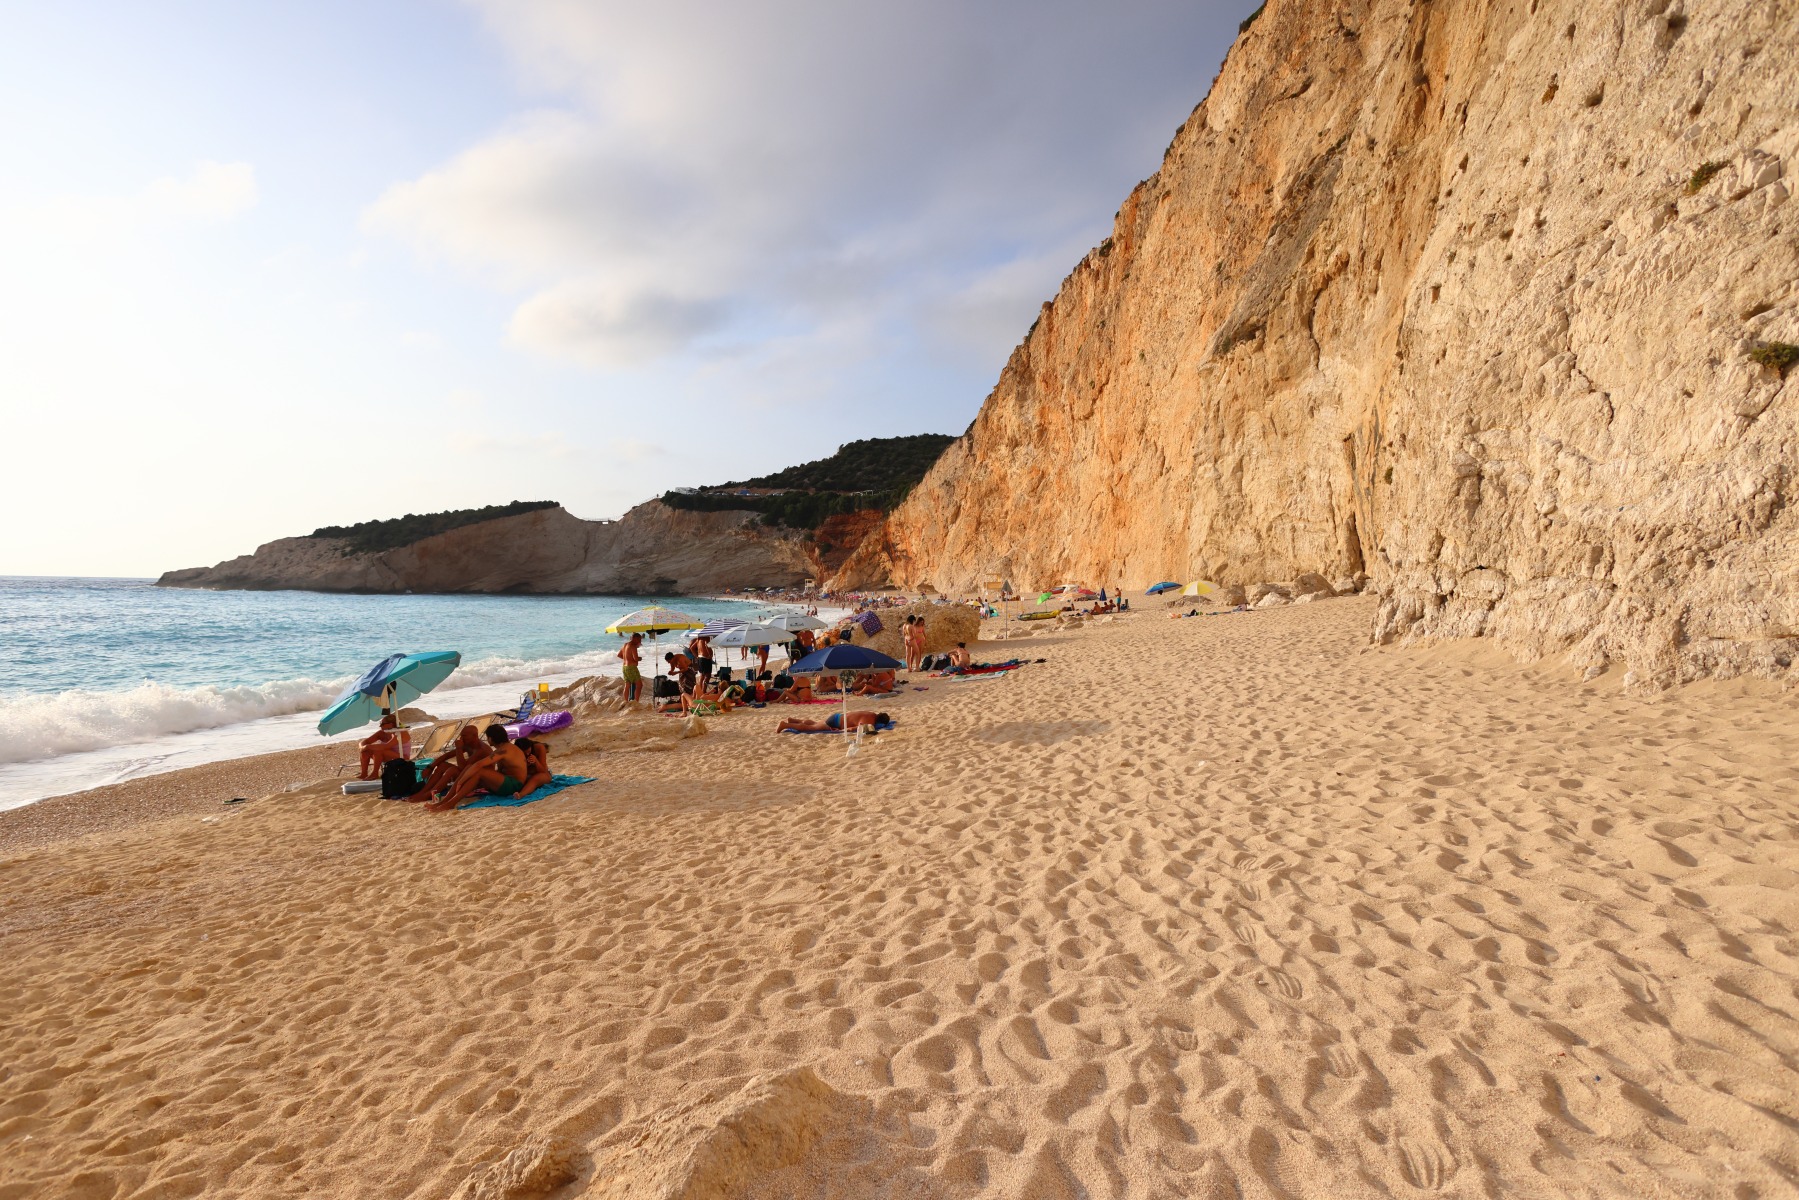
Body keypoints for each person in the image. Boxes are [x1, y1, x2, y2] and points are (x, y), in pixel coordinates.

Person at [427, 724, 529, 811]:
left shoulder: (504, 750)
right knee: (470, 768)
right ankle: (446, 801)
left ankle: (450, 803)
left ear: (491, 738)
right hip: (507, 783)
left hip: (514, 785)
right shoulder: (505, 748)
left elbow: (479, 765)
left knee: (478, 771)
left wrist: (460, 782)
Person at [416, 725, 488, 799]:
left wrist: (459, 748)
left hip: (479, 781)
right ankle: (423, 792)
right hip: (468, 774)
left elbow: (463, 767)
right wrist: (430, 767)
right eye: (461, 736)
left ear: (475, 735)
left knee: (452, 770)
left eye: (464, 736)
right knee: (442, 765)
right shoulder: (469, 744)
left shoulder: (481, 750)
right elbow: (446, 756)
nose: (461, 739)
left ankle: (429, 794)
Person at [357, 714, 405, 780]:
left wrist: (368, 746)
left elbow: (386, 746)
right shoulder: (382, 733)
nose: (380, 726)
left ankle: (375, 773)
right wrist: (362, 747)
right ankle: (364, 773)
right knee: (365, 751)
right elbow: (364, 742)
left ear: (391, 724)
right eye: (380, 723)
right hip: (387, 755)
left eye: (382, 724)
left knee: (378, 750)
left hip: (402, 757)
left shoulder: (400, 732)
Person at [776, 710, 889, 733]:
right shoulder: (869, 722)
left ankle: (794, 720)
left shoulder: (871, 713)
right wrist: (839, 731)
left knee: (816, 723)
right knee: (812, 728)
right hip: (836, 723)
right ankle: (785, 725)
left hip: (837, 716)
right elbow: (853, 729)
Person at [620, 633, 644, 702]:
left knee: (627, 685)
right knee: (639, 685)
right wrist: (640, 658)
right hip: (632, 668)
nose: (640, 642)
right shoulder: (633, 646)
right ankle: (636, 702)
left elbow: (619, 655)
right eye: (639, 640)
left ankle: (626, 701)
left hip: (624, 667)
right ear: (635, 639)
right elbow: (636, 658)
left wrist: (627, 659)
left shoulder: (625, 645)